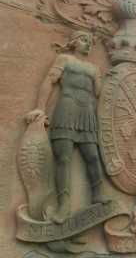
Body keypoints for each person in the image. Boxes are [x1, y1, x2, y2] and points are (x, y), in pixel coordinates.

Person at [26, 31, 107, 223]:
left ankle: (98, 194)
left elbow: (100, 94)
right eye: (83, 40)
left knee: (93, 156)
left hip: (87, 114)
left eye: (90, 42)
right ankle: (64, 205)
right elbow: (49, 81)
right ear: (73, 42)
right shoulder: (64, 59)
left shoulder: (94, 68)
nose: (87, 44)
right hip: (67, 109)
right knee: (63, 158)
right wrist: (40, 107)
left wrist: (104, 80)